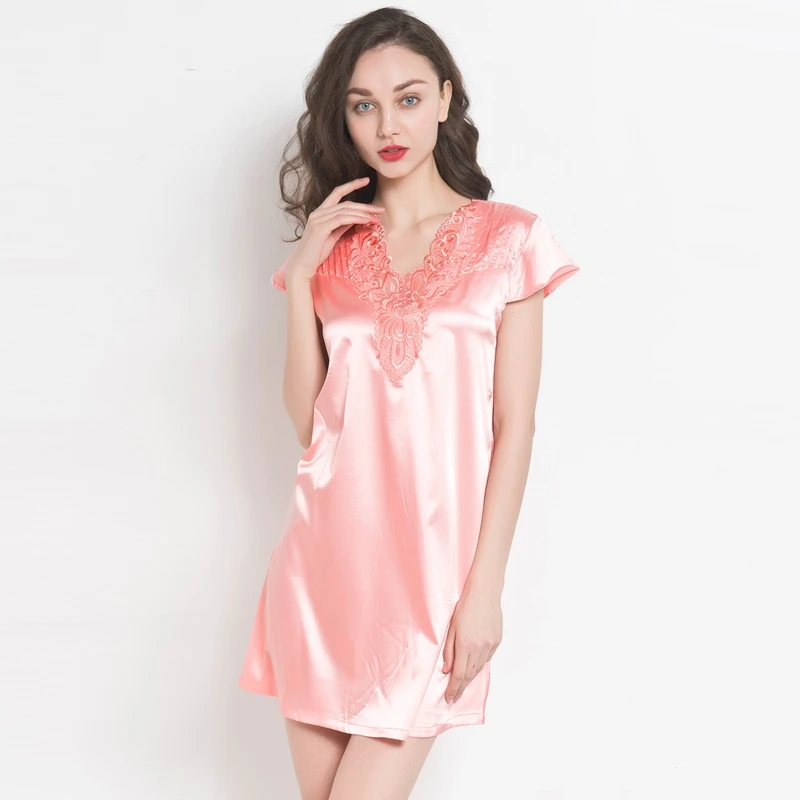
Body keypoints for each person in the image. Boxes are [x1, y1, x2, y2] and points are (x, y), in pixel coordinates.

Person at [239, 7, 580, 799]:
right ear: (343, 117)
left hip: (435, 582)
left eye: (409, 98)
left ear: (447, 98)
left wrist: (484, 589)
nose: (388, 124)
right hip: (324, 569)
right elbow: (310, 423)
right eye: (363, 104)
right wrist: (302, 276)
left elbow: (515, 426)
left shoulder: (510, 239)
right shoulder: (329, 253)